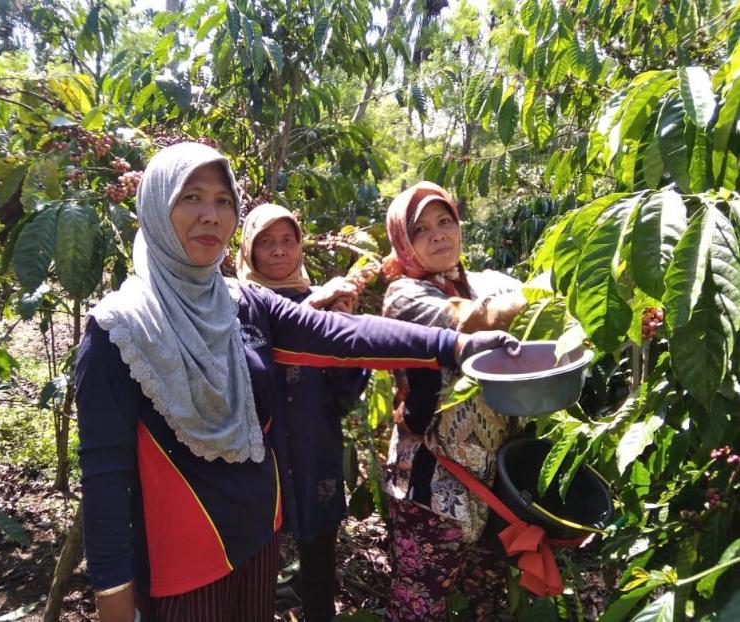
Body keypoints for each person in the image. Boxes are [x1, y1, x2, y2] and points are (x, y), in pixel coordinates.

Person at [75, 143, 519, 622]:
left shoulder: (239, 302)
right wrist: (113, 595)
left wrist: (453, 346)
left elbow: (340, 334)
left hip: (257, 542)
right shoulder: (118, 330)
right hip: (180, 567)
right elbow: (105, 479)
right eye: (191, 198)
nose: (211, 215)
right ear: (157, 208)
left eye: (224, 201)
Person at [380, 181, 527, 622]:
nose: (439, 235)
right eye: (422, 229)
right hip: (431, 483)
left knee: (485, 599)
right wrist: (545, 295)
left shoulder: (486, 282)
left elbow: (552, 331)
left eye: (445, 222)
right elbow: (470, 321)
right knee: (420, 604)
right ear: (404, 243)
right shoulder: (405, 296)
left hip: (495, 479)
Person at [236, 203, 367, 622]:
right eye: (266, 242)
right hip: (257, 454)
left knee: (318, 563)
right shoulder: (234, 305)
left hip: (314, 450)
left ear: (299, 248)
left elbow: (348, 392)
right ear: (249, 251)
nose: (278, 251)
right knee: (253, 560)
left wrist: (345, 329)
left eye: (287, 241)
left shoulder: (325, 303)